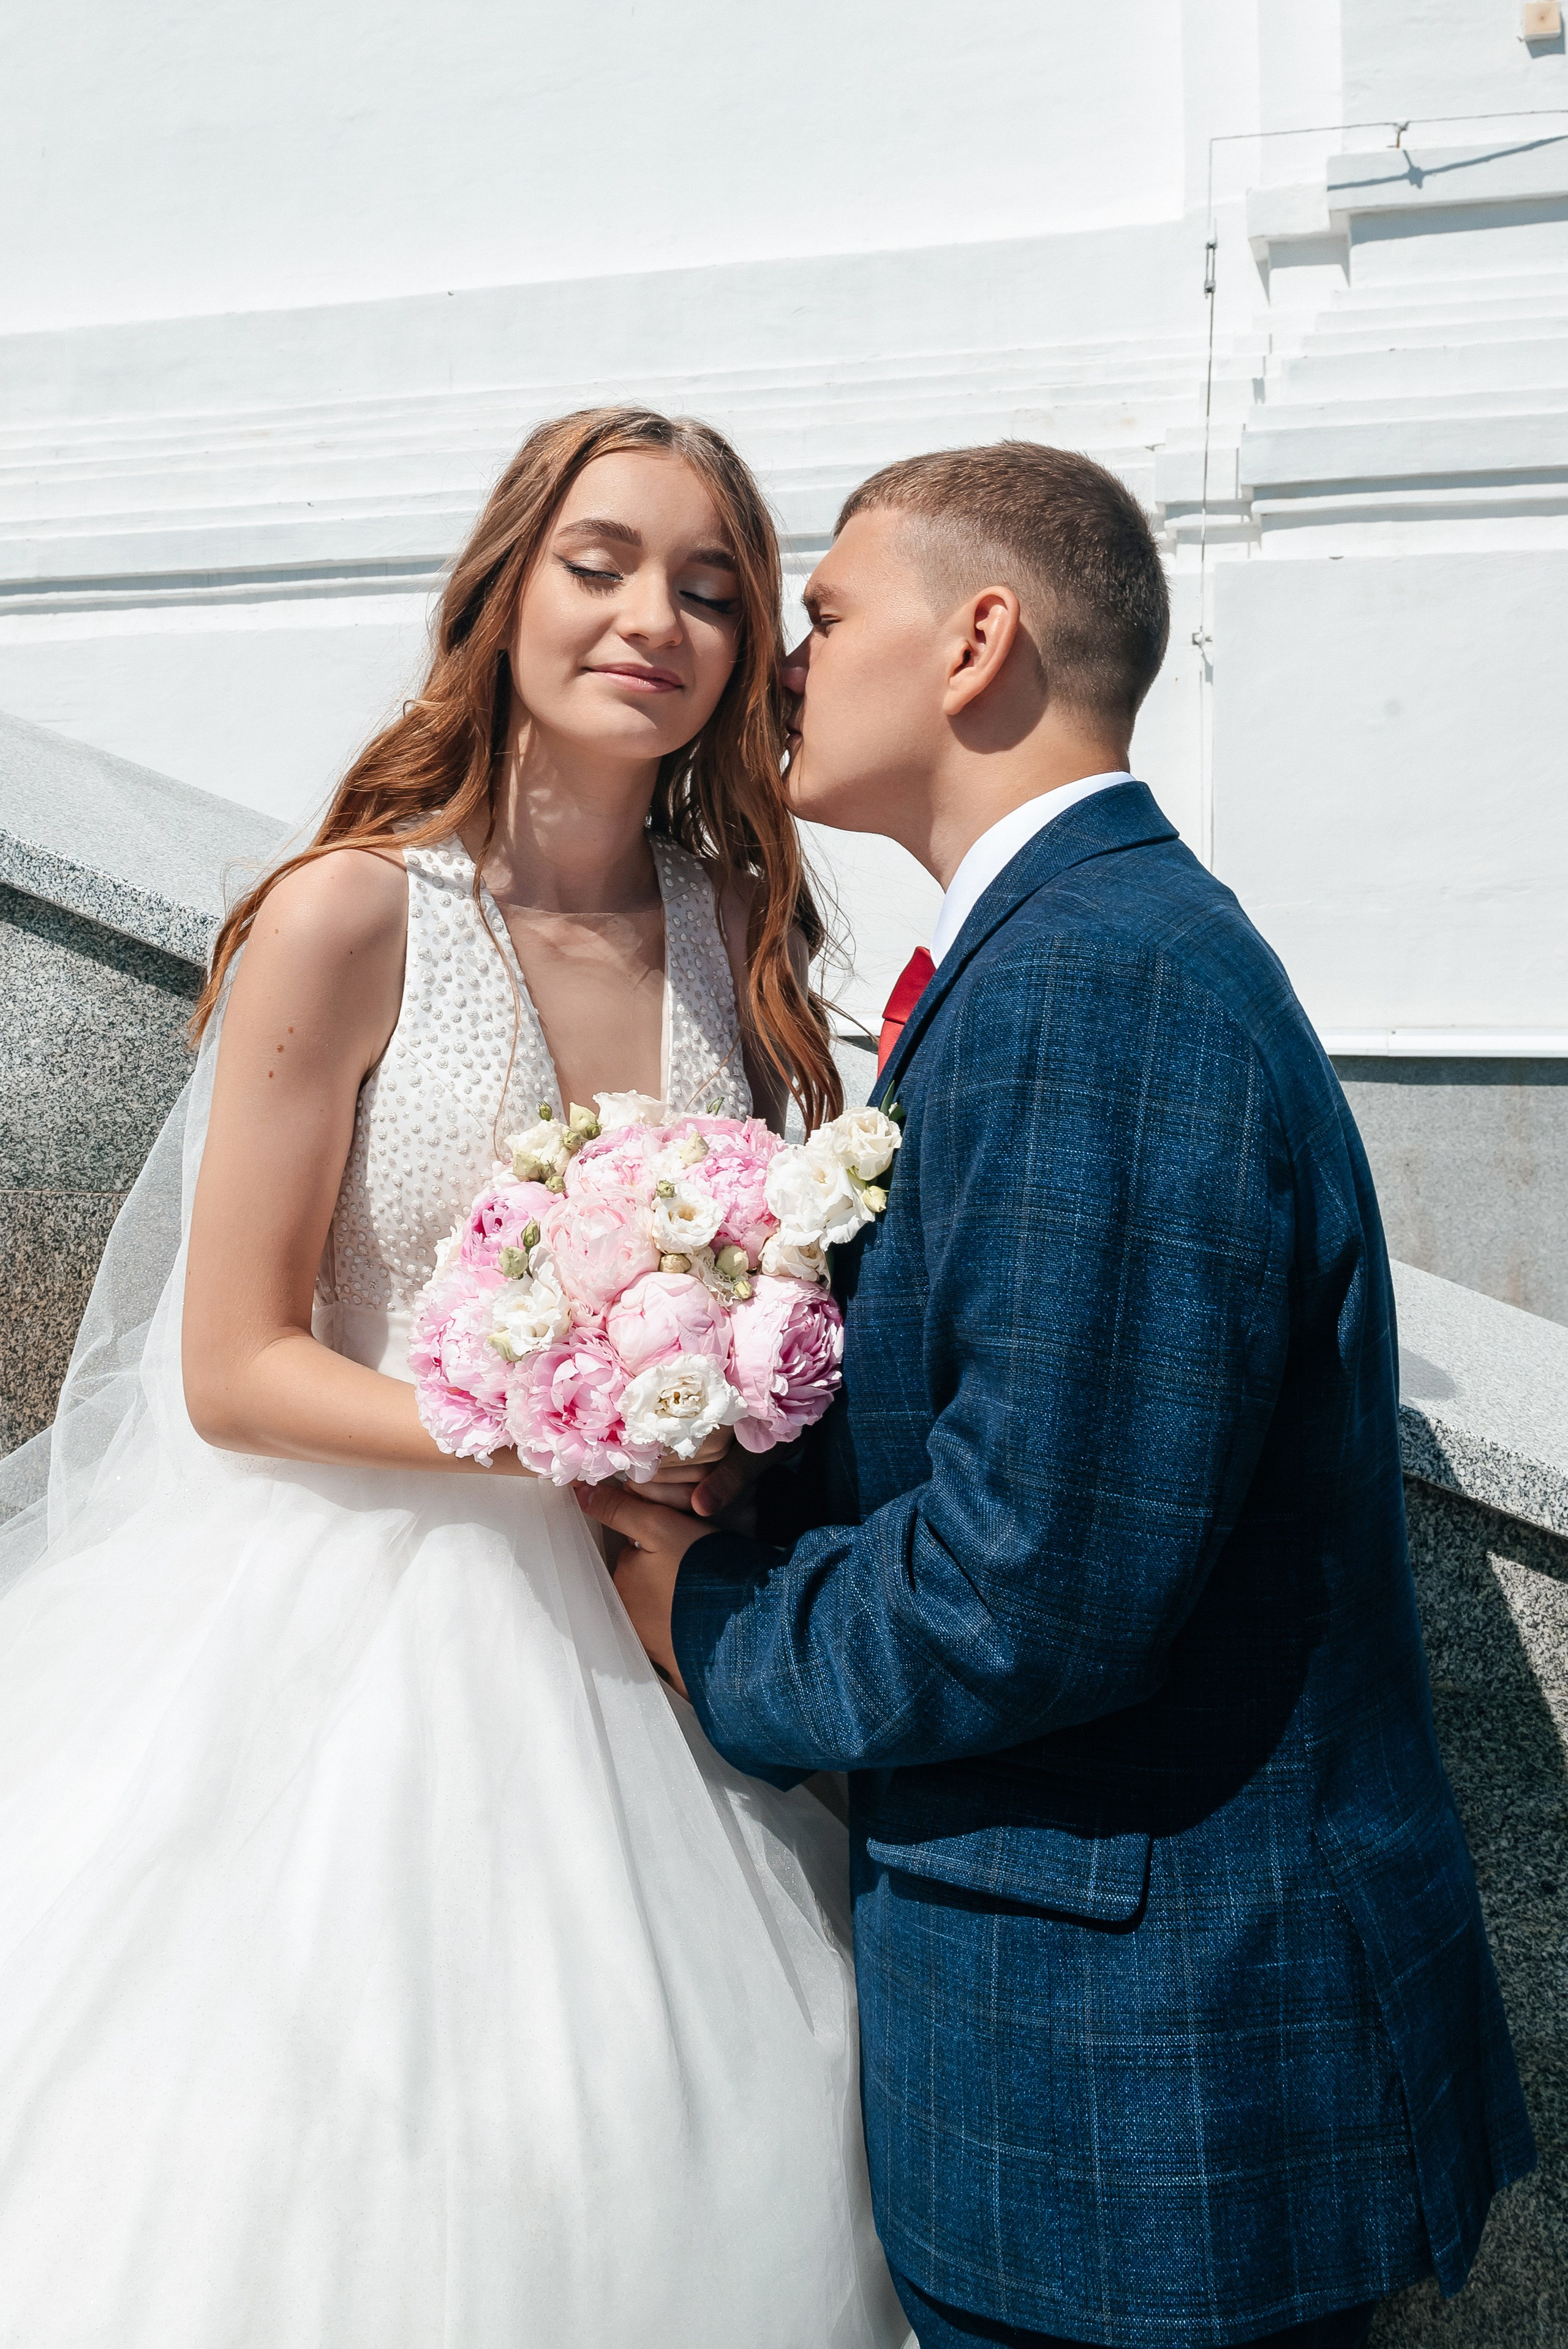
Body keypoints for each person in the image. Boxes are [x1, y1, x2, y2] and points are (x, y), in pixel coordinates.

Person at [582, 441, 1537, 2349]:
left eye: (827, 612)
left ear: (978, 643)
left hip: (1141, 2107)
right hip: (1112, 2077)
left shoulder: (1101, 985)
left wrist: (699, 1609)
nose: (776, 656)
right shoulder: (1074, 946)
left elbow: (1032, 1581)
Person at [0, 407, 909, 2348]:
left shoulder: (738, 934)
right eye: (600, 560)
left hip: (661, 1636)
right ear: (503, 591)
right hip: (353, 1632)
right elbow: (236, 1366)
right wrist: (556, 1428)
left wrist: (727, 1401)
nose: (652, 616)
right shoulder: (346, 912)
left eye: (713, 587)